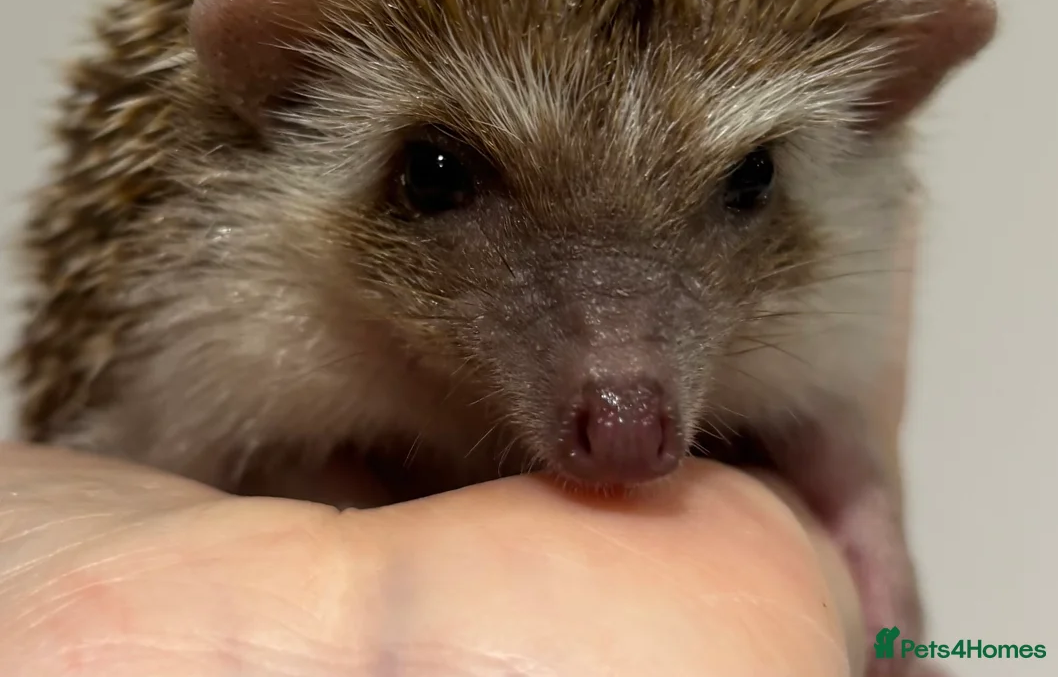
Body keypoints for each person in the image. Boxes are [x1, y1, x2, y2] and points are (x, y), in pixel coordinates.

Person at [0, 213, 920, 676]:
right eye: (442, 177)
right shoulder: (236, 327)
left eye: (745, 184)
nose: (626, 410)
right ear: (270, 90)